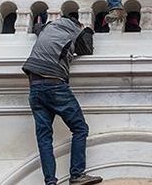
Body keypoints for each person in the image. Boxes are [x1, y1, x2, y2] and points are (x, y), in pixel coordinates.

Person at [21, 15, 102, 185]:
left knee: (44, 137)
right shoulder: (75, 29)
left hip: (34, 86)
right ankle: (77, 175)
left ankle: (50, 182)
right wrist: (87, 31)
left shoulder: (48, 28)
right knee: (80, 128)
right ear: (77, 23)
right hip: (54, 84)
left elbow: (37, 28)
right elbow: (86, 49)